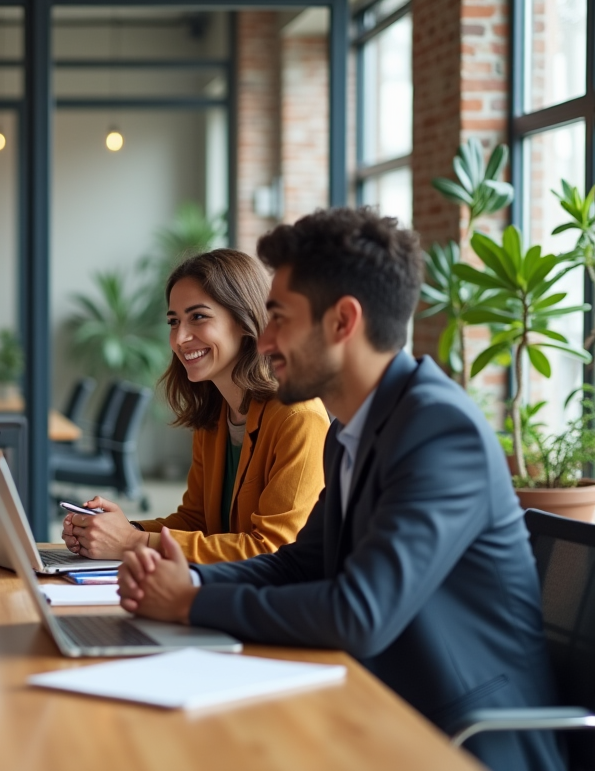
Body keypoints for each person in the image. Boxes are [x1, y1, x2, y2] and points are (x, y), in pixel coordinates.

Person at [116, 209, 564, 771]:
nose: (265, 340)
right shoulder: (352, 429)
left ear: (343, 322)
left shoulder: (439, 431)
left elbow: (360, 613)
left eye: (279, 318)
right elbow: (298, 563)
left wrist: (190, 602)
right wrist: (189, 579)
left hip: (461, 738)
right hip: (376, 702)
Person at [61, 249, 329, 563]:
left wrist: (133, 541)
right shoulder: (215, 415)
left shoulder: (299, 417)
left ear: (245, 320)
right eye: (174, 322)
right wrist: (118, 531)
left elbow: (273, 550)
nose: (180, 338)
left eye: (198, 317)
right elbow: (197, 521)